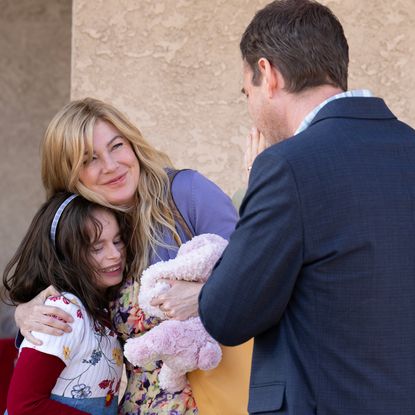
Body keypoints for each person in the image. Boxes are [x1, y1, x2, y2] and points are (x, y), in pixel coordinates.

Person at [198, 0, 415, 414]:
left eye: (248, 92)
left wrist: (253, 189)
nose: (251, 108)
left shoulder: (286, 167)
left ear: (269, 74)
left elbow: (226, 315)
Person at [13, 98, 239, 414]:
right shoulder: (89, 233)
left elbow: (256, 276)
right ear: (69, 175)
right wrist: (25, 314)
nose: (111, 165)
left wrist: (205, 296)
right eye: (90, 159)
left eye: (117, 146)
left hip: (217, 399)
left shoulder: (187, 194)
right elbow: (58, 305)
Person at [3, 192, 132, 414]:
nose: (115, 254)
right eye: (97, 248)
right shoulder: (62, 313)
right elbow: (24, 406)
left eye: (117, 241)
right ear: (65, 255)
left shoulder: (100, 310)